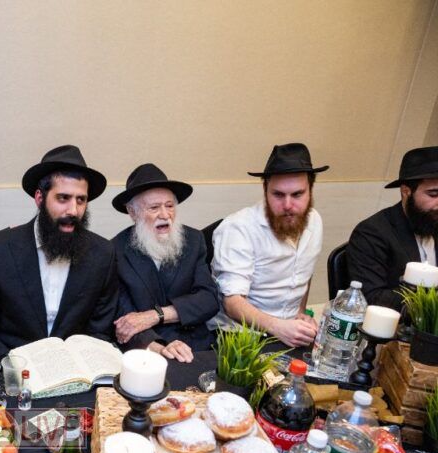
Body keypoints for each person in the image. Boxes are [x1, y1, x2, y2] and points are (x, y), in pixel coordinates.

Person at [0, 144, 119, 360]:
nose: (73, 211)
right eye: (63, 198)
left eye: (81, 200)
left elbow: (100, 331)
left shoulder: (103, 253)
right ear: (39, 198)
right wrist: (20, 367)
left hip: (74, 369)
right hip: (10, 367)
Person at [209, 143, 326, 347]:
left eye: (297, 194)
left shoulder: (315, 220)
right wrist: (279, 327)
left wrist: (300, 313)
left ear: (310, 190)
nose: (288, 205)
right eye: (278, 195)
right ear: (265, 190)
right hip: (240, 334)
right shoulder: (238, 228)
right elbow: (232, 303)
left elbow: (304, 273)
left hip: (289, 329)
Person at [111, 164, 219, 362]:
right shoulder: (115, 251)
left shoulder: (193, 240)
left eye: (169, 206)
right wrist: (159, 348)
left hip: (197, 345)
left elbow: (208, 299)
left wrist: (156, 315)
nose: (165, 215)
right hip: (148, 349)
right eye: (154, 208)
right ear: (132, 212)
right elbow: (123, 319)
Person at [347, 146, 438, 309]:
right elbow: (371, 297)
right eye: (433, 194)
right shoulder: (372, 233)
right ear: (406, 192)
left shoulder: (433, 220)